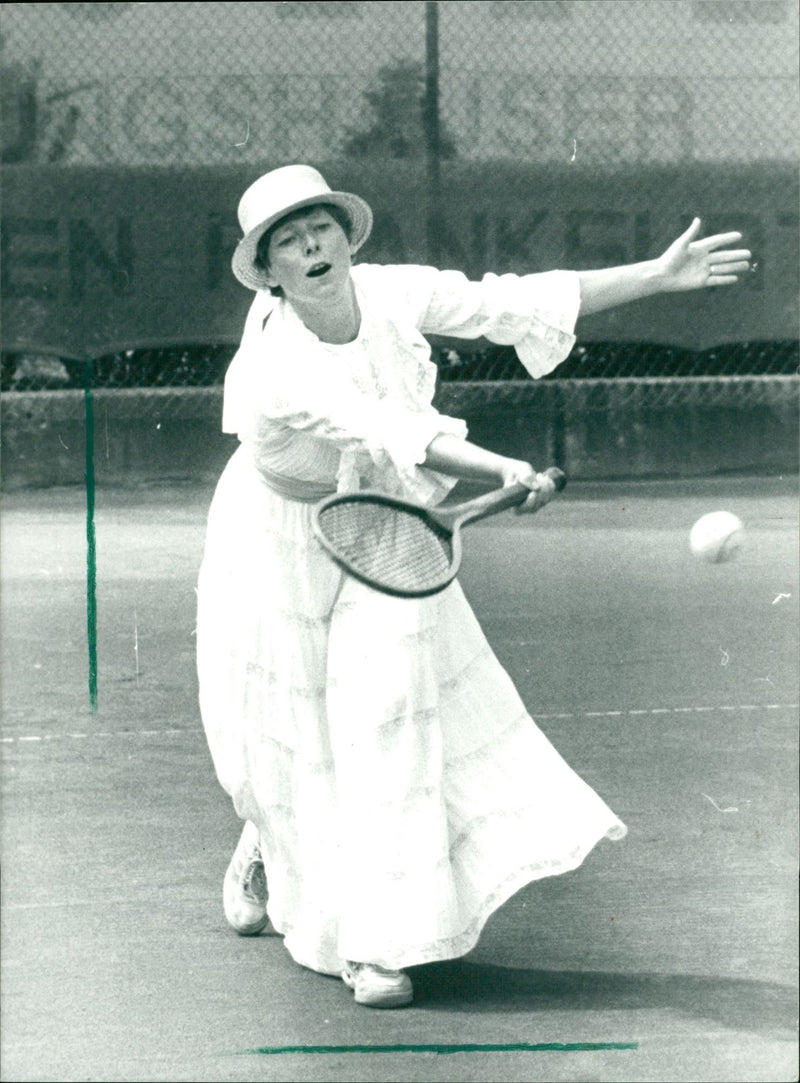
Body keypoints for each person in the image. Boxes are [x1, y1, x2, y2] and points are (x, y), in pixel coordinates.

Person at [196, 164, 751, 1008]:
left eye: (320, 227)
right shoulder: (276, 363)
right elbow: (393, 425)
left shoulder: (390, 292)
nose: (312, 245)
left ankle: (373, 945)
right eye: (287, 240)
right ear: (268, 270)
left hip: (382, 518)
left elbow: (510, 302)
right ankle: (265, 843)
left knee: (385, 713)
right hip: (279, 538)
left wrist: (656, 275)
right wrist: (502, 467)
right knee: (293, 730)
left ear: (345, 237)